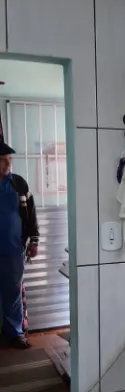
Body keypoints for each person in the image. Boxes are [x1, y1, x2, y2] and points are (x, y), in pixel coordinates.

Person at [0, 141, 39, 348]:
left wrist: (34, 241)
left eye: (10, 159)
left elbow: (31, 214)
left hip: (13, 249)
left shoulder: (18, 184)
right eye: (3, 160)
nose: (8, 164)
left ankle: (14, 333)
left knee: (13, 293)